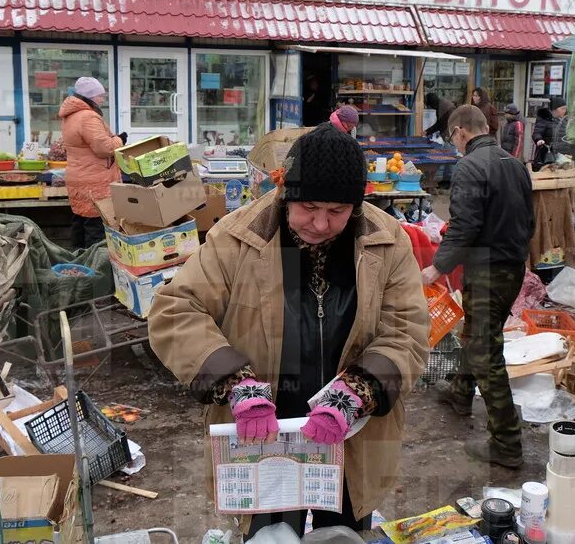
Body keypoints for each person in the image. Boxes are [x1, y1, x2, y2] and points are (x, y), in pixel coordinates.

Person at [148, 124, 428, 537]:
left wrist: (360, 390)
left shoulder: (387, 242)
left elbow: (407, 330)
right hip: (263, 433)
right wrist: (235, 382)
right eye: (309, 206)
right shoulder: (240, 236)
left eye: (337, 211)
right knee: (271, 532)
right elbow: (175, 310)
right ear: (286, 193)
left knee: (344, 532)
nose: (319, 223)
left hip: (350, 433)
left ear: (357, 204)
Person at [421, 105, 534, 468]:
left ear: (459, 133)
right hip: (512, 266)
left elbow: (465, 225)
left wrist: (438, 267)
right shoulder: (514, 164)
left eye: (452, 137)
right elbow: (527, 220)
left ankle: (507, 444)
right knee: (476, 333)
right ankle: (459, 393)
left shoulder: (470, 166)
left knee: (486, 353)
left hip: (487, 269)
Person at [59, 77, 125, 248]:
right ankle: (95, 266)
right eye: (100, 96)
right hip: (95, 181)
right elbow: (104, 148)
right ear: (89, 97)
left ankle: (79, 262)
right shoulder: (88, 117)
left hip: (79, 177)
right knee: (96, 227)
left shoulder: (70, 116)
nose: (102, 99)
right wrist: (119, 140)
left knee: (80, 222)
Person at [531, 97, 572, 170]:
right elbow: (537, 132)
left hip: (563, 155)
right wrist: (539, 139)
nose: (564, 111)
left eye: (565, 108)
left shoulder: (566, 120)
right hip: (548, 154)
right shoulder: (544, 119)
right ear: (554, 109)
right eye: (562, 109)